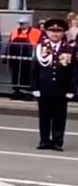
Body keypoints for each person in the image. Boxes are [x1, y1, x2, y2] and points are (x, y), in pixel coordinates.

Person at [32, 18, 75, 151]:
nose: (55, 34)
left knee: (59, 116)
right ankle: (44, 140)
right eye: (52, 31)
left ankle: (57, 141)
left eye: (58, 31)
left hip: (62, 88)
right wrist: (34, 87)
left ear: (63, 33)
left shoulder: (69, 49)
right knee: (44, 116)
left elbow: (74, 70)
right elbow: (35, 68)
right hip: (44, 87)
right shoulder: (40, 48)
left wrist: (72, 88)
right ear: (47, 32)